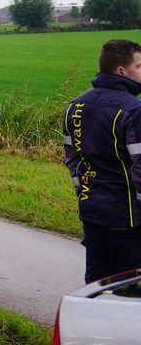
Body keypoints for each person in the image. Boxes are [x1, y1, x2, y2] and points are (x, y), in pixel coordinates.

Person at [63, 39, 141, 283]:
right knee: (127, 289)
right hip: (127, 219)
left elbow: (72, 158)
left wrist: (82, 193)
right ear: (121, 70)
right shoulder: (134, 110)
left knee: (95, 284)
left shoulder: (75, 105)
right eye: (139, 65)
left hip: (91, 211)